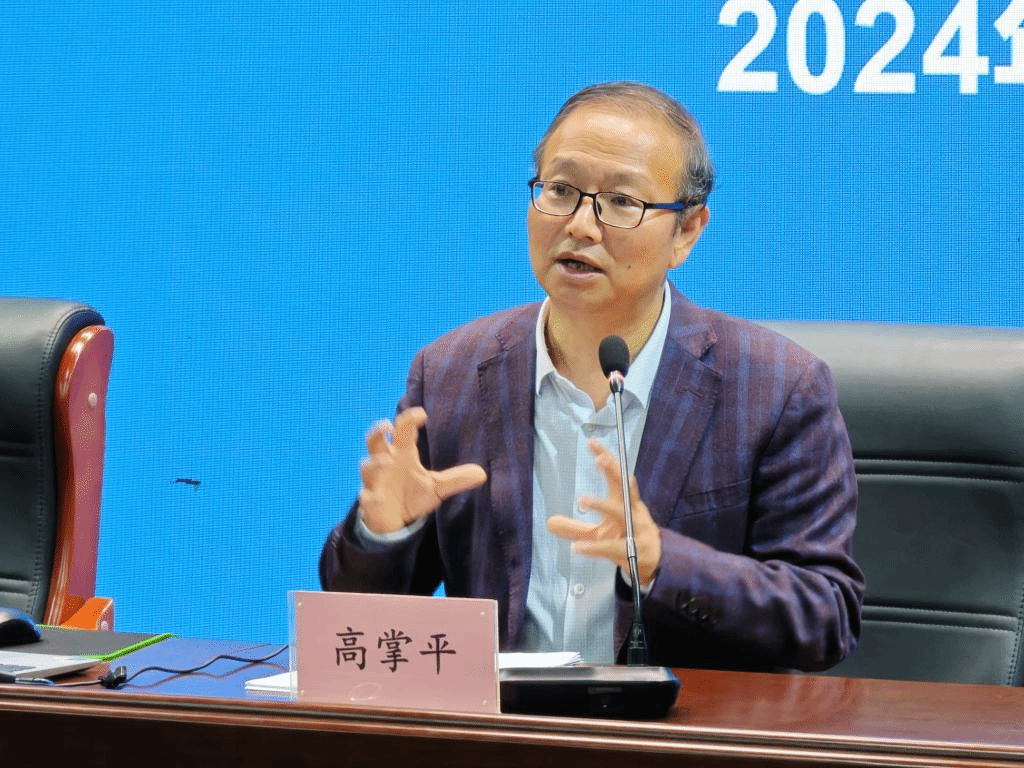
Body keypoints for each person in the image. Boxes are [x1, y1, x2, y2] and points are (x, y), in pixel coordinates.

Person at [320, 82, 864, 672]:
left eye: (622, 201)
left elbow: (825, 615)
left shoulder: (776, 388)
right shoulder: (451, 373)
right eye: (560, 191)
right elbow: (362, 632)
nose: (581, 225)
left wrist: (661, 563)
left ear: (686, 231)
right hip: (501, 722)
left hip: (678, 724)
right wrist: (384, 535)